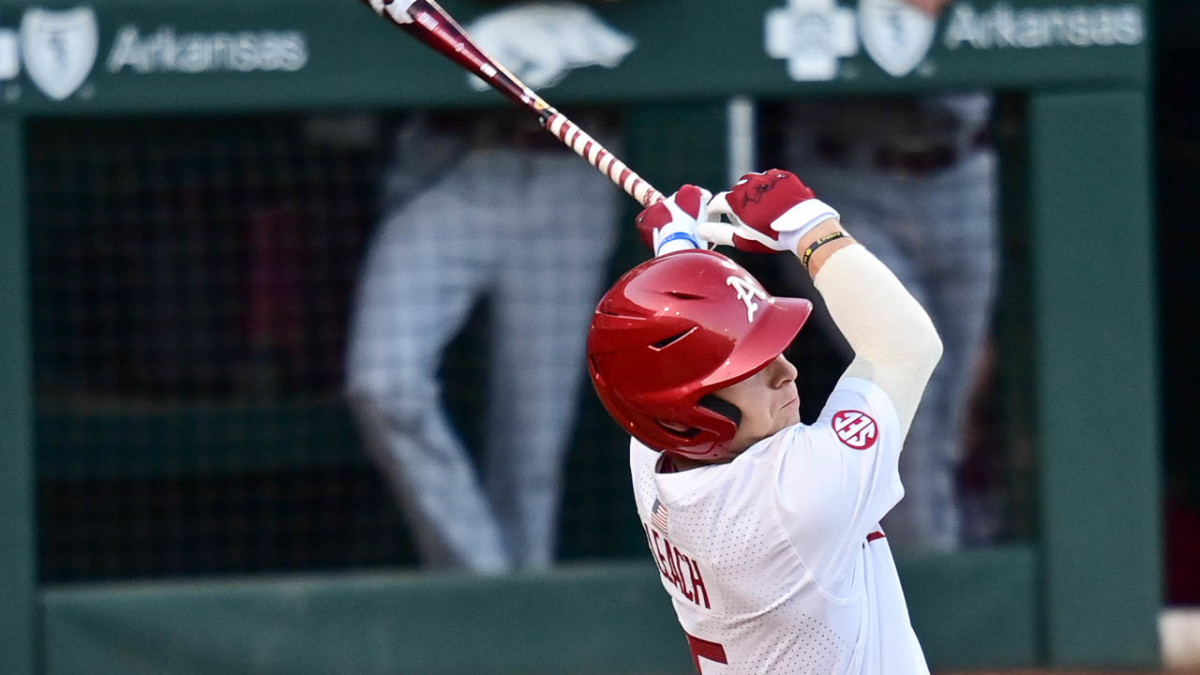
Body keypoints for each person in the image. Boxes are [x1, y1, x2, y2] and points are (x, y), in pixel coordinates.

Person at [587, 170, 943, 672]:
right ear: (697, 413)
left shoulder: (654, 450)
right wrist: (809, 226)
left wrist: (680, 251)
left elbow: (661, 360)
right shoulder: (793, 499)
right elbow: (906, 347)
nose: (786, 372)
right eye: (750, 368)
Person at [344, 109, 620, 573]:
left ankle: (521, 601)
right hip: (451, 160)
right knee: (383, 384)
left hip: (573, 167)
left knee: (533, 451)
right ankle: (486, 581)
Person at [775, 91, 999, 554]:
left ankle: (929, 559)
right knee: (911, 378)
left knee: (952, 417)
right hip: (845, 176)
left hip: (961, 168)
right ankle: (927, 573)